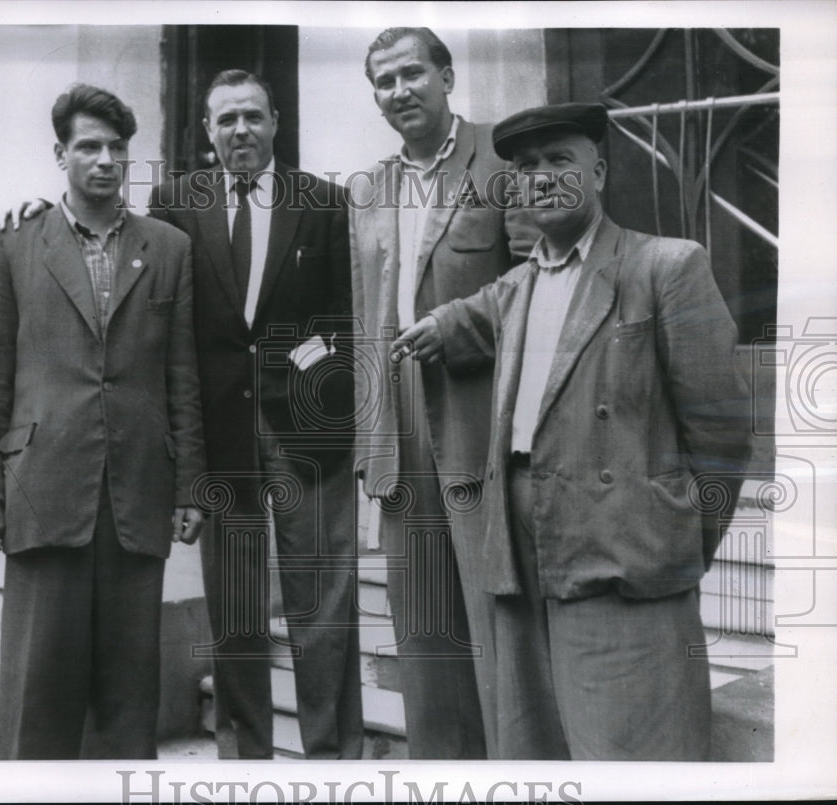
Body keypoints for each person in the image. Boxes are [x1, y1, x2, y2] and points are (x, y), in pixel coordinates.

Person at [394, 102, 753, 760]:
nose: (542, 178)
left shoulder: (664, 267)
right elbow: (469, 318)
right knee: (536, 751)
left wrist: (671, 538)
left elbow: (724, 432)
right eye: (527, 167)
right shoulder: (519, 286)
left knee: (630, 751)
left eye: (560, 160)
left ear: (600, 172)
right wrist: (435, 326)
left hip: (623, 555)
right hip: (521, 550)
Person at [0, 84, 206, 759]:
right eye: (89, 147)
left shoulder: (168, 248)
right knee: (36, 701)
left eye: (117, 149)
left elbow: (180, 377)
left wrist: (190, 486)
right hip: (42, 491)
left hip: (136, 496)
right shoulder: (15, 241)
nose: (105, 160)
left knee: (128, 707)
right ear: (60, 154)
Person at [149, 70, 362, 760]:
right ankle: (244, 760)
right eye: (226, 120)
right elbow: (169, 322)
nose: (241, 130)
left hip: (308, 429)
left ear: (275, 123)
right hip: (220, 434)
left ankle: (331, 756)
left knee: (322, 604)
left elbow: (344, 317)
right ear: (207, 133)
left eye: (253, 117)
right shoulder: (175, 202)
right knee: (235, 605)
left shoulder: (323, 201)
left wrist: (296, 361)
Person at [348, 27, 531, 759]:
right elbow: (363, 316)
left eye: (411, 73)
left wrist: (458, 328)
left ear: (447, 75)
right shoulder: (367, 188)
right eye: (384, 81)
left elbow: (534, 278)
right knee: (423, 623)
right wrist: (371, 440)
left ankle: (513, 766)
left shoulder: (502, 159)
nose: (399, 91)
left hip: (479, 413)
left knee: (497, 618)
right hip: (398, 421)